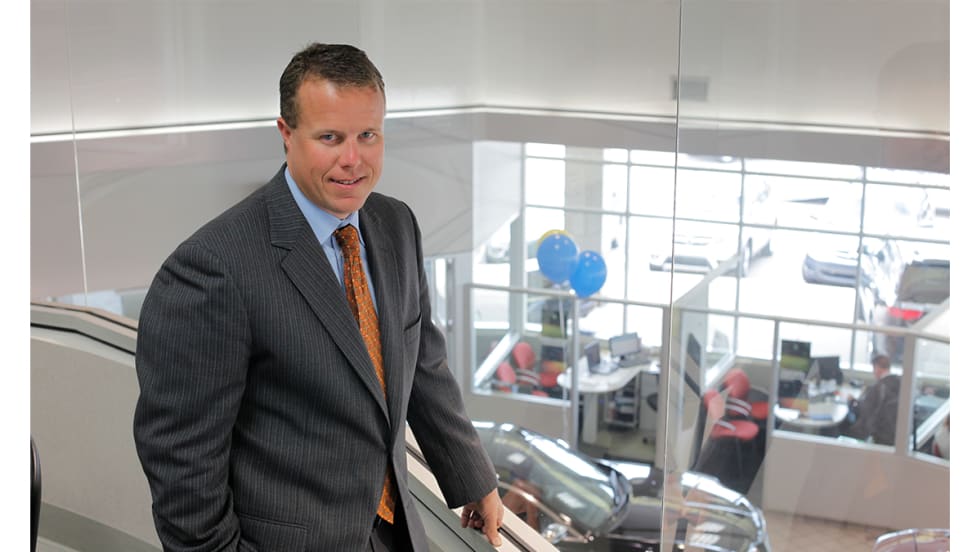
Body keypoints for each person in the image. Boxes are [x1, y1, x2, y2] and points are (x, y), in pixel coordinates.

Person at [132, 43, 504, 552]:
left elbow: (422, 366)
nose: (352, 160)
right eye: (330, 137)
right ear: (286, 133)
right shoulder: (212, 267)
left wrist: (473, 477)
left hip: (395, 534)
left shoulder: (396, 224)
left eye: (367, 135)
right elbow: (181, 466)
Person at [847, 354, 901, 445]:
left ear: (877, 368)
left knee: (843, 424)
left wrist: (852, 401)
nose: (873, 372)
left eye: (874, 369)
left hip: (877, 434)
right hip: (894, 434)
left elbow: (863, 411)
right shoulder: (899, 382)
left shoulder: (877, 388)